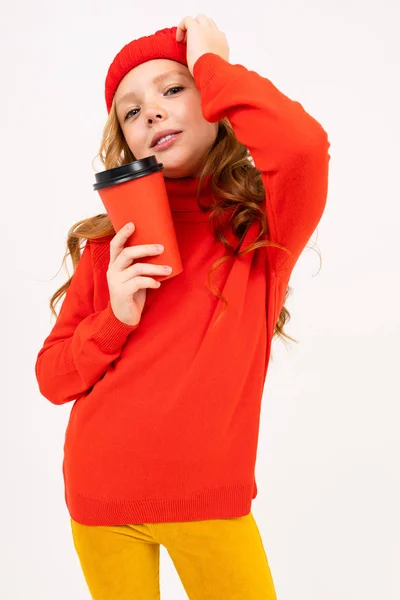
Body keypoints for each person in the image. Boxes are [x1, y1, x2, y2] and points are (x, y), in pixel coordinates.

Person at [35, 14, 331, 600]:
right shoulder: (108, 246)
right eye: (131, 110)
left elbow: (303, 145)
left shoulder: (260, 232)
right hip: (100, 499)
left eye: (174, 89)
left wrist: (213, 65)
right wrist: (115, 315)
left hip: (210, 503)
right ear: (126, 138)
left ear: (214, 103)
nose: (151, 112)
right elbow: (51, 378)